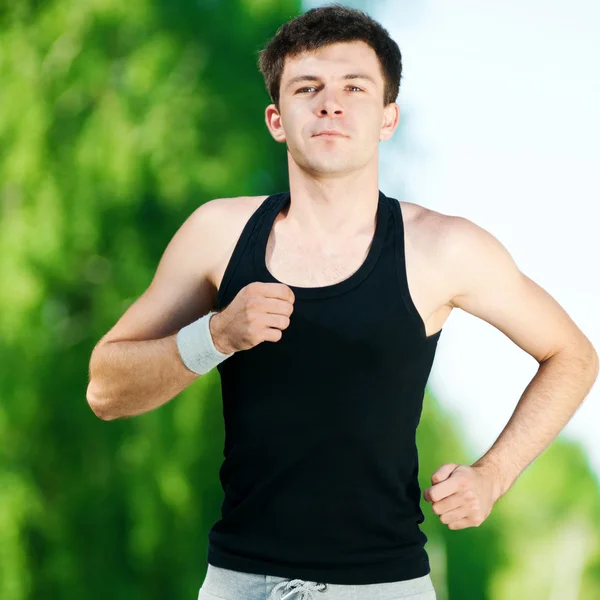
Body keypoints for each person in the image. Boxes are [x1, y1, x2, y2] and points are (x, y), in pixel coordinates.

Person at [86, 4, 599, 600]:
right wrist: (216, 335)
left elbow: (573, 355)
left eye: (354, 87)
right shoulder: (217, 235)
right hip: (239, 585)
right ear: (277, 119)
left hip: (386, 587)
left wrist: (494, 475)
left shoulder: (445, 247)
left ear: (388, 117)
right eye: (309, 88)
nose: (331, 103)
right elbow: (104, 388)